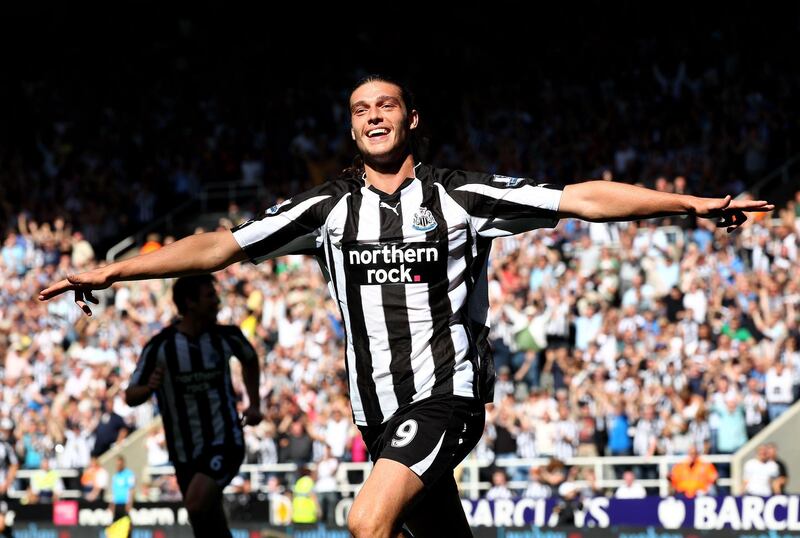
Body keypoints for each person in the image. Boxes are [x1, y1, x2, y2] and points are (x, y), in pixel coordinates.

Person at [39, 74, 773, 538]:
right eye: (360, 110)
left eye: (386, 105)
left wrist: (687, 203)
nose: (373, 116)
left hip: (445, 394)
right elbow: (218, 246)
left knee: (366, 521)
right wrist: (112, 273)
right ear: (351, 128)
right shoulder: (327, 208)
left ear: (412, 118)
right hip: (376, 410)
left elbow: (580, 198)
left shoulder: (461, 195)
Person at [124, 274, 263, 538]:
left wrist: (254, 403)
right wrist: (149, 387)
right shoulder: (160, 346)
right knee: (205, 521)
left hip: (224, 441)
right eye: (210, 296)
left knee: (197, 503)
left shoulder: (226, 336)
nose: (217, 302)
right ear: (189, 302)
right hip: (183, 452)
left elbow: (250, 359)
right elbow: (131, 396)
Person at [109, 456, 135, 524]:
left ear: (123, 464)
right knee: (115, 524)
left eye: (119, 464)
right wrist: (112, 503)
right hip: (117, 503)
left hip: (125, 503)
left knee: (127, 524)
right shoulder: (115, 476)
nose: (118, 466)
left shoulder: (129, 474)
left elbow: (131, 489)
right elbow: (114, 491)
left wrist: (130, 502)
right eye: (117, 464)